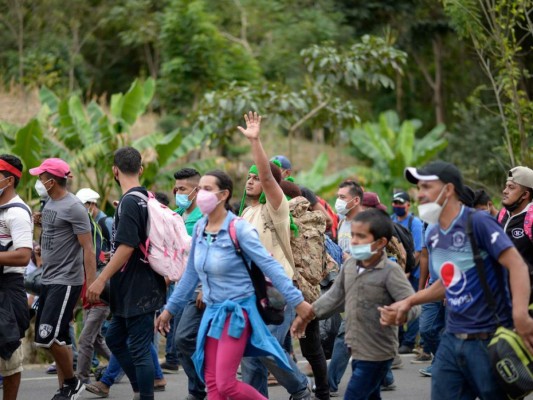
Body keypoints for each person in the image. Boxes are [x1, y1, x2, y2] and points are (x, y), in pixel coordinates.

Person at [379, 161, 533, 400]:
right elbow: (447, 282)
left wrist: (521, 316)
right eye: (419, 188)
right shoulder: (433, 233)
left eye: (426, 187)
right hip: (452, 339)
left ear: (448, 190)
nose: (419, 194)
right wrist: (409, 302)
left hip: (487, 339)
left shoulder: (478, 223)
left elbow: (518, 265)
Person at [155, 169, 314, 399]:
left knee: (227, 384)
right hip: (212, 313)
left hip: (237, 315)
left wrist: (298, 301)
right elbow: (190, 275)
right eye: (200, 189)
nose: (201, 195)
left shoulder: (238, 229)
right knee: (212, 384)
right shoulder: (200, 228)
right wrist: (169, 310)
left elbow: (270, 266)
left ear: (223, 195)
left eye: (207, 189)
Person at [291, 208, 420, 400]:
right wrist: (306, 315)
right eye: (353, 235)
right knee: (371, 396)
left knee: (355, 395)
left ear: (381, 242)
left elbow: (413, 305)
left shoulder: (391, 271)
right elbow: (333, 297)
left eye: (361, 236)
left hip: (378, 351)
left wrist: (400, 312)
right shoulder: (350, 266)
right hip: (356, 348)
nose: (354, 241)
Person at [237, 112, 313, 400]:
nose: (252, 181)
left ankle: (299, 389)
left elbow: (269, 177)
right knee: (250, 357)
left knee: (266, 347)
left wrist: (255, 141)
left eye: (257, 178)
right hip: (250, 292)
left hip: (279, 290)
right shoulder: (244, 214)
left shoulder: (276, 209)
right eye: (249, 177)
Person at [87, 146, 167, 400]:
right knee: (115, 338)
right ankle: (139, 388)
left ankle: (145, 395)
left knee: (140, 349)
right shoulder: (144, 197)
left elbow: (127, 247)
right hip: (133, 285)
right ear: (141, 169)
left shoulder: (130, 202)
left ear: (115, 170)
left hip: (138, 287)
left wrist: (100, 279)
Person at [29, 158, 96, 400]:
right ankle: (66, 389)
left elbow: (88, 248)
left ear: (51, 180)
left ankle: (72, 381)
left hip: (67, 281)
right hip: (49, 278)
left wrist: (93, 283)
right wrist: (40, 220)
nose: (38, 181)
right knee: (60, 337)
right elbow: (54, 231)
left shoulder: (74, 206)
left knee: (46, 336)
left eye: (41, 177)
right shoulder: (49, 204)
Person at [0, 155, 33, 400]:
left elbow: (23, 256)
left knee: (8, 356)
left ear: (8, 180)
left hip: (9, 290)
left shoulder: (18, 214)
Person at [328, 180, 364, 397]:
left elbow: (377, 257)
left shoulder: (366, 223)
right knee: (366, 334)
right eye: (338, 196)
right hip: (346, 283)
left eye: (342, 197)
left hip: (365, 284)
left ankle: (329, 384)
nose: (338, 201)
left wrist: (355, 259)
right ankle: (384, 374)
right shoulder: (342, 222)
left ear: (356, 200)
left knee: (344, 334)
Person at [172, 167, 207, 399]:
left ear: (196, 190)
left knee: (184, 339)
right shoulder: (175, 215)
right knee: (181, 343)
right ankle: (199, 388)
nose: (178, 193)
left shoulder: (205, 218)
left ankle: (202, 387)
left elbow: (210, 254)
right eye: (175, 189)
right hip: (179, 289)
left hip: (198, 291)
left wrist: (205, 287)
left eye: (182, 189)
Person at [74, 188, 112, 385]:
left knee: (86, 339)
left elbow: (116, 251)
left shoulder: (103, 223)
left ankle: (80, 379)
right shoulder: (87, 226)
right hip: (89, 286)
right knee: (96, 338)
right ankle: (119, 365)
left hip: (99, 288)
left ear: (91, 205)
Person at [390, 191, 426, 360]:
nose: (397, 206)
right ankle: (399, 338)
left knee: (412, 304)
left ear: (408, 205)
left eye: (400, 203)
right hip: (397, 270)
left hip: (413, 271)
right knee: (396, 303)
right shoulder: (391, 220)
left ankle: (410, 341)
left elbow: (418, 251)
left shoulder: (415, 222)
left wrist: (407, 270)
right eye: (395, 203)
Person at [498, 166, 533, 302]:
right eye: (506, 186)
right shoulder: (502, 215)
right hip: (500, 297)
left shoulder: (530, 219)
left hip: (524, 300)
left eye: (511, 187)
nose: (505, 191)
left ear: (525, 195)